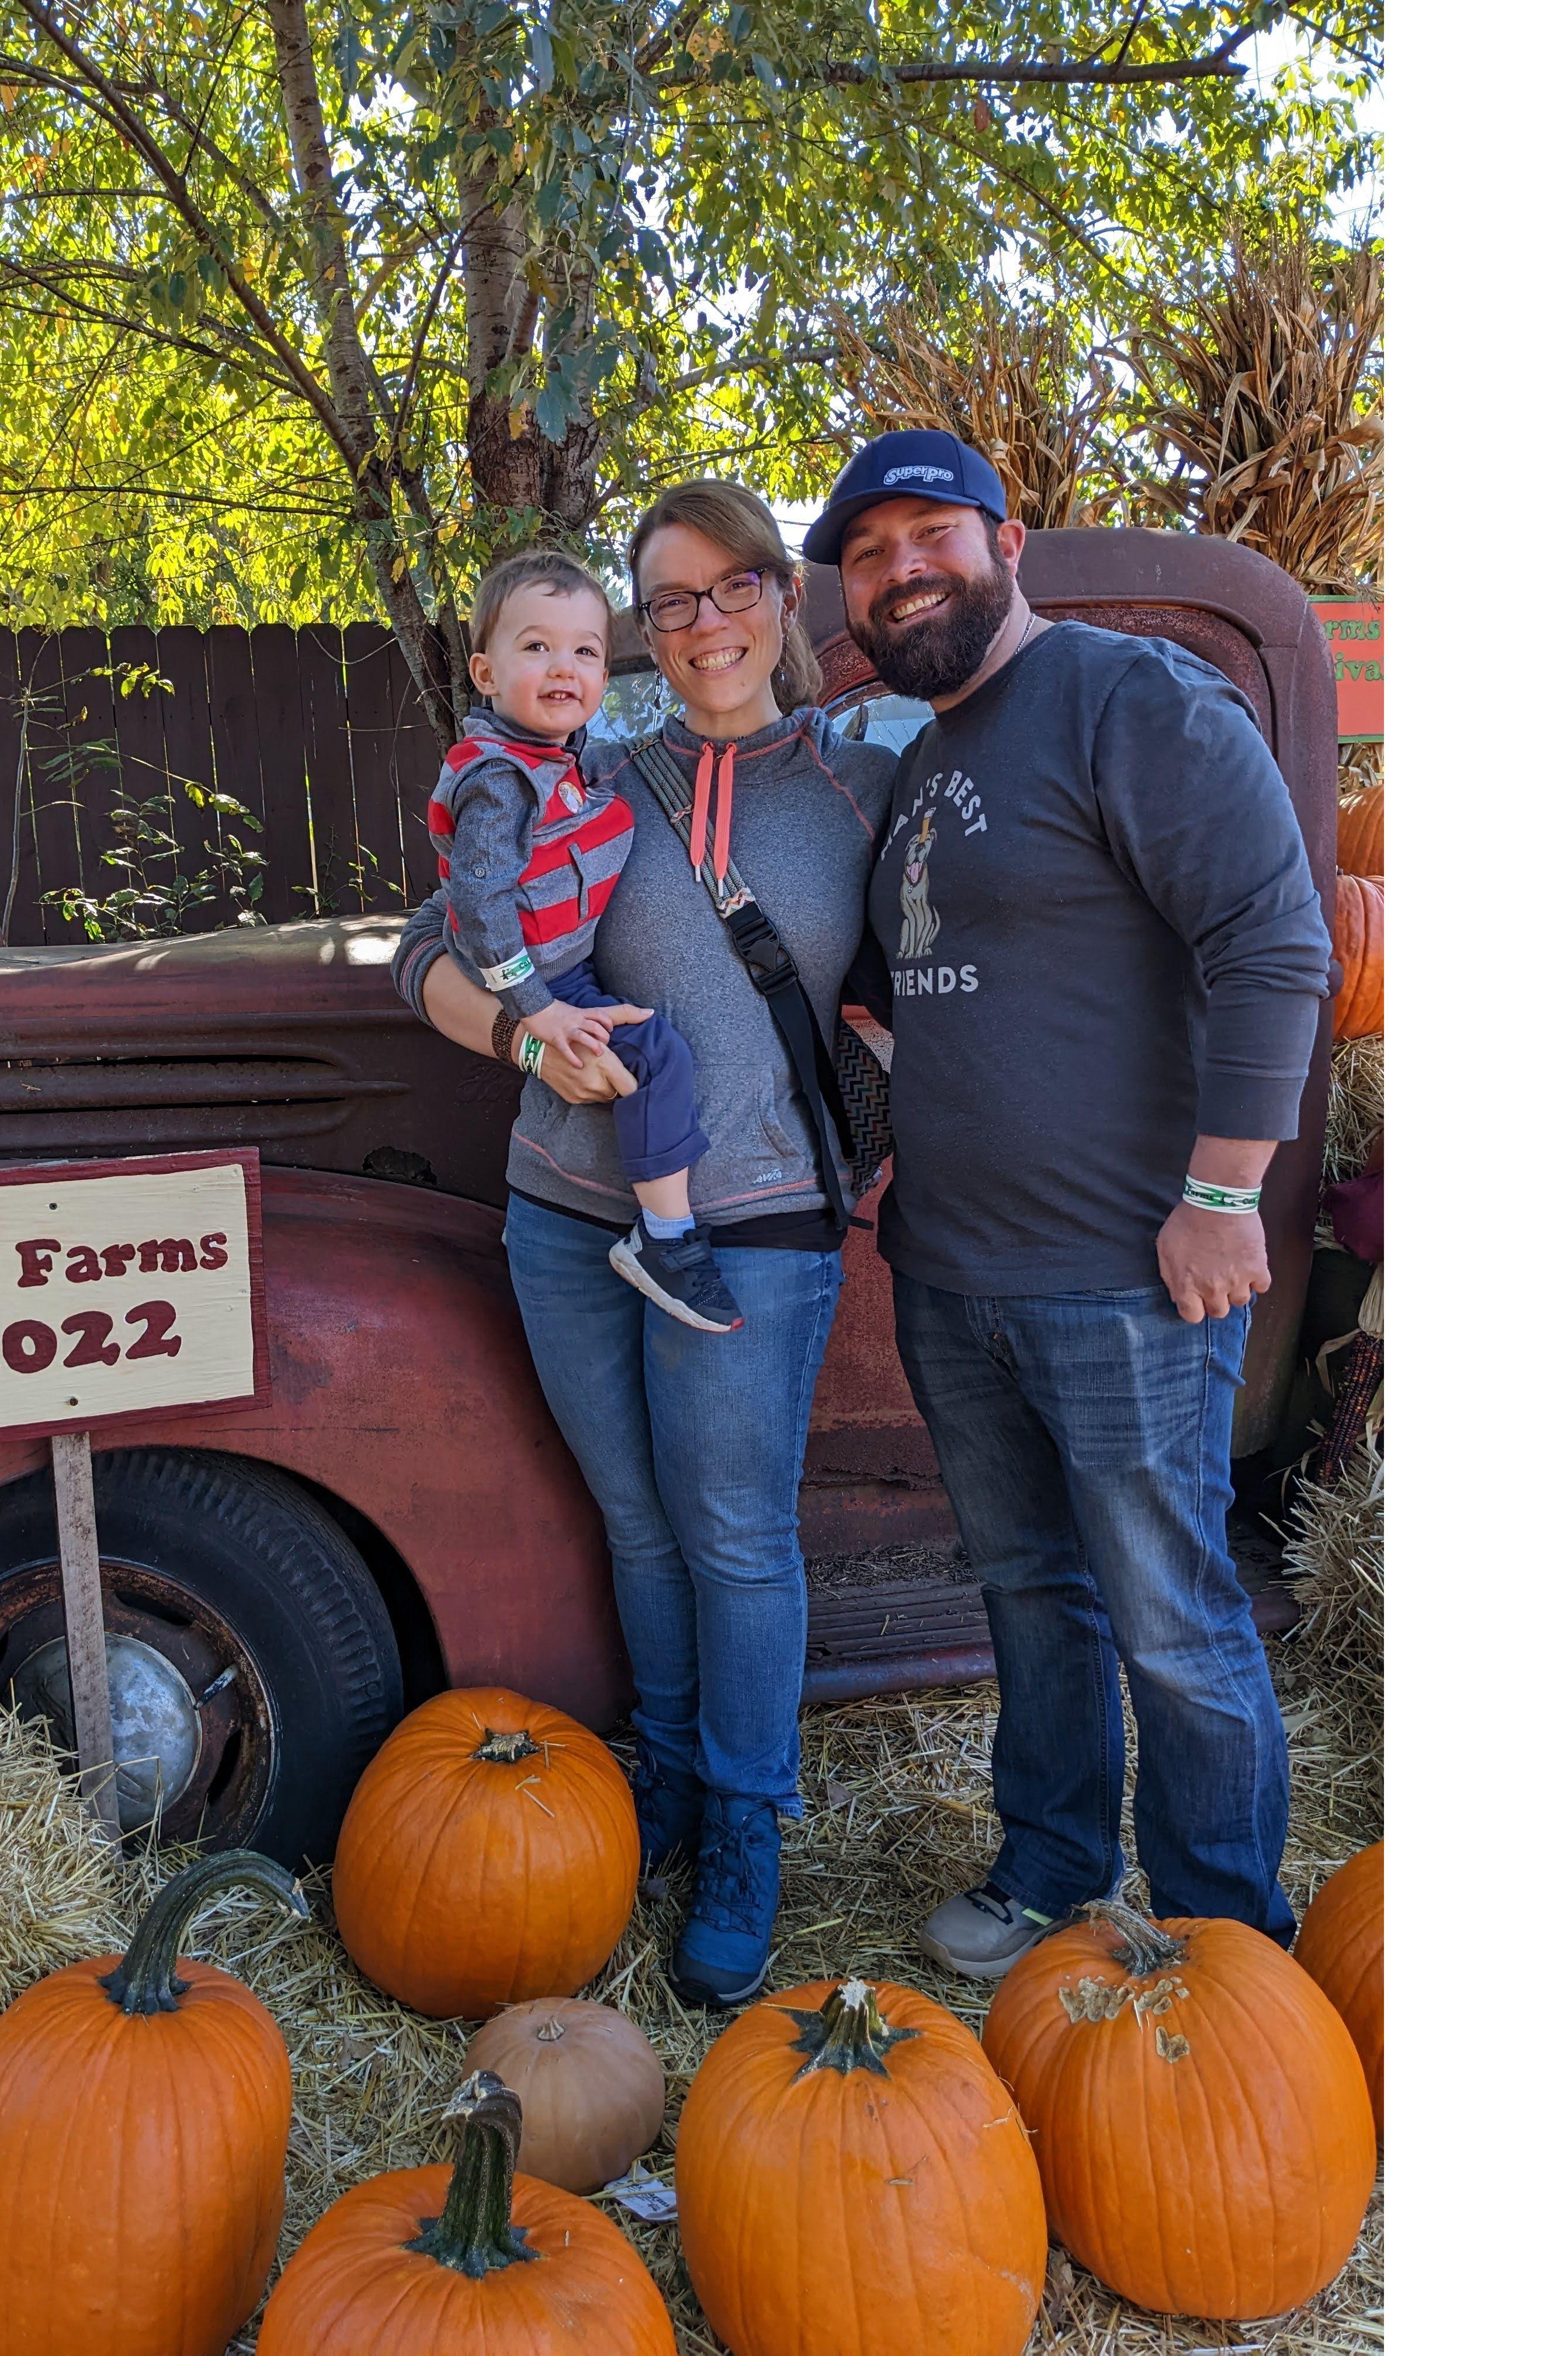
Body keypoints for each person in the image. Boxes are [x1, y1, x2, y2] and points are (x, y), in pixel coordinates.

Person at [807, 427, 1335, 1975]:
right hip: (955, 1275)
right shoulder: (921, 765)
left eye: (929, 534)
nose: (900, 571)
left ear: (1006, 538)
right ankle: (1048, 1869)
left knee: (1170, 1614)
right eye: (866, 553)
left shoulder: (1132, 702)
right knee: (1030, 1598)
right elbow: (905, 995)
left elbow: (1274, 943)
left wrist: (1223, 1196)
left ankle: (1225, 1941)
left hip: (1130, 1273)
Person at [393, 483, 901, 2007]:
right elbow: (429, 953)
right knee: (637, 1523)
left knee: (735, 1535)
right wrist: (528, 1041)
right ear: (638, 633)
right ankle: (670, 1795)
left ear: (782, 597)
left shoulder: (857, 786)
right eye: (669, 602)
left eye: (731, 587)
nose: (704, 624)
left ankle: (748, 1834)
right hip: (564, 1209)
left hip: (749, 1225)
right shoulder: (586, 776)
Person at [427, 548, 740, 1333]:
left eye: (586, 651)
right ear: (486, 674)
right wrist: (537, 1014)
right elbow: (481, 906)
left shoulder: (557, 763)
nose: (563, 666)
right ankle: (667, 1240)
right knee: (656, 1057)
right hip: (541, 981)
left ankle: (665, 1232)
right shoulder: (499, 780)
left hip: (556, 974)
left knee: (650, 1055)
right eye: (536, 647)